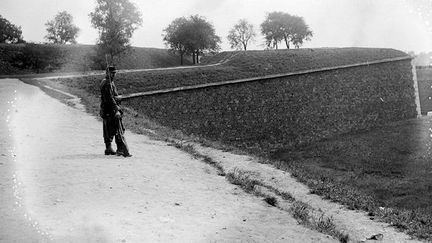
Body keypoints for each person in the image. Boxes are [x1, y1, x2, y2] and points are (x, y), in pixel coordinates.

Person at [100, 66, 132, 157]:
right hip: (110, 110)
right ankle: (120, 149)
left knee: (109, 129)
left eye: (114, 73)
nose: (113, 74)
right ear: (107, 73)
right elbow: (109, 99)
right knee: (117, 128)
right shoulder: (107, 84)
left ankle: (109, 148)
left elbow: (111, 96)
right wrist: (116, 109)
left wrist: (117, 98)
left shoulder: (108, 82)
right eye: (112, 73)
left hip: (107, 109)